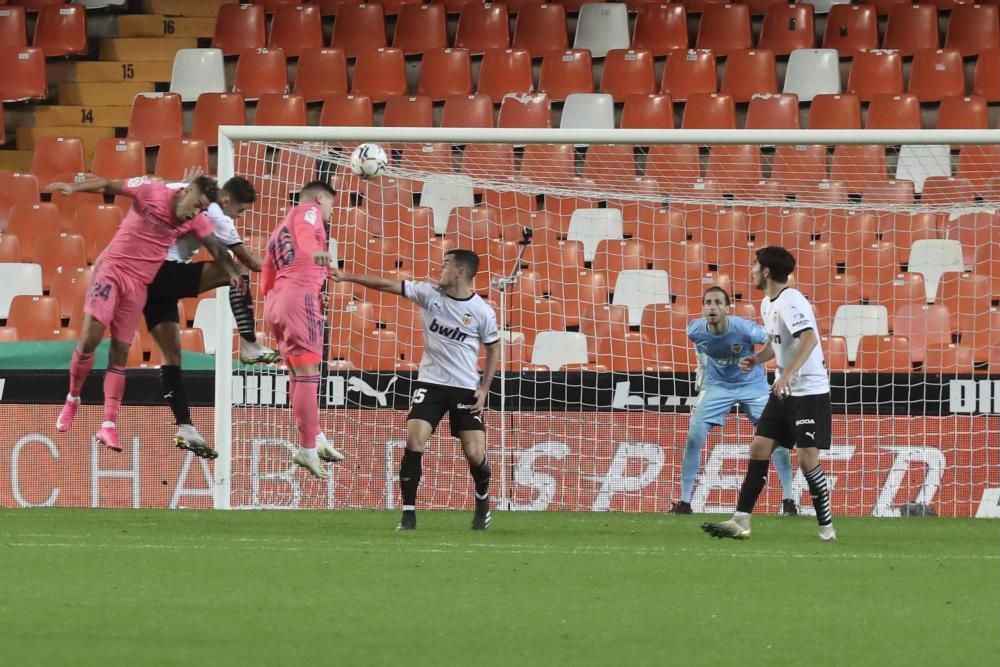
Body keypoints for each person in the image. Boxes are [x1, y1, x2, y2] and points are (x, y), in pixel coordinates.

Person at [51, 175, 244, 452]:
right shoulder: (152, 191)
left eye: (203, 209)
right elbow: (109, 185)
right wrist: (72, 186)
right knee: (91, 338)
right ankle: (73, 398)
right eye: (197, 204)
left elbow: (217, 250)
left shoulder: (196, 220)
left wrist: (234, 272)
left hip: (139, 284)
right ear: (186, 191)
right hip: (112, 270)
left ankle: (108, 425)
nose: (196, 212)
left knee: (121, 351)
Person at [330, 249, 500, 531]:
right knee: (414, 440)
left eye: (445, 265)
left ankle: (482, 500)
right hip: (430, 384)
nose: (439, 269)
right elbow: (387, 284)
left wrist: (484, 389)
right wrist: (348, 276)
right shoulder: (428, 293)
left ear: (460, 272)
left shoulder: (482, 311)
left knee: (474, 454)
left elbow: (494, 349)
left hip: (464, 387)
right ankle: (408, 515)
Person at [701, 247, 836, 541]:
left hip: (808, 391)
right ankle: (741, 521)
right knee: (760, 447)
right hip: (783, 390)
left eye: (754, 265)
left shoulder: (791, 300)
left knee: (806, 459)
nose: (750, 270)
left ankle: (826, 528)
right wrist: (759, 359)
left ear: (765, 272)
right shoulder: (767, 303)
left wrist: (787, 373)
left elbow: (809, 338)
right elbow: (778, 344)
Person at [145, 175, 278, 460]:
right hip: (161, 271)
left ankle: (185, 426)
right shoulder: (217, 214)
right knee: (235, 272)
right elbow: (252, 263)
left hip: (144, 279)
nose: (237, 217)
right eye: (240, 211)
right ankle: (249, 343)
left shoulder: (192, 193)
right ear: (227, 200)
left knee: (172, 356)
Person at [669, 286, 798, 516]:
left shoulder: (745, 328)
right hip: (717, 386)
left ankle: (789, 500)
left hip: (752, 385)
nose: (712, 307)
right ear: (703, 308)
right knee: (694, 436)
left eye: (718, 302)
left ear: (727, 308)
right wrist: (702, 366)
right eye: (708, 302)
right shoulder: (695, 329)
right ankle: (685, 502)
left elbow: (773, 341)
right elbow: (702, 348)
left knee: (774, 438)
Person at [260, 181, 345, 479]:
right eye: (332, 205)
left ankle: (315, 437)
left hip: (276, 303)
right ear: (321, 198)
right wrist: (315, 254)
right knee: (309, 375)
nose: (332, 211)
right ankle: (307, 448)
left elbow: (265, 279)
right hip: (299, 297)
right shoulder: (308, 210)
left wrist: (318, 269)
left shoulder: (277, 232)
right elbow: (306, 235)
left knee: (297, 374)